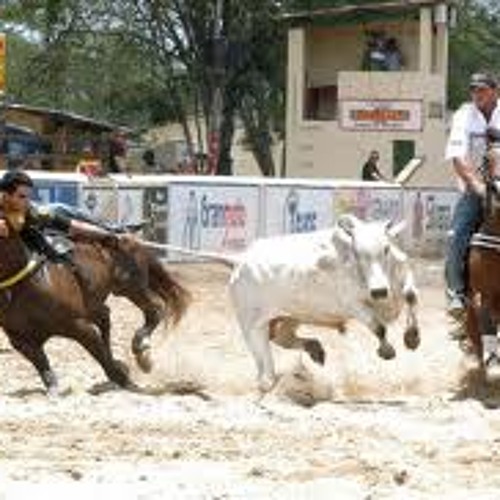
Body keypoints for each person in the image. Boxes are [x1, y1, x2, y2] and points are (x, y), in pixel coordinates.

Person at [444, 72, 500, 321]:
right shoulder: (463, 115)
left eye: (483, 90)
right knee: (457, 235)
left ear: (495, 91)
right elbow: (458, 156)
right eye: (474, 90)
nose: (477, 94)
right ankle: (456, 293)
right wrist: (476, 186)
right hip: (474, 189)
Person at [0, 169, 119, 279]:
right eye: (22, 197)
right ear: (5, 195)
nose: (27, 201)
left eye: (27, 196)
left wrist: (107, 235)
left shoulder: (30, 211)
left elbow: (73, 226)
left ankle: (112, 228)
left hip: (34, 228)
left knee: (60, 210)